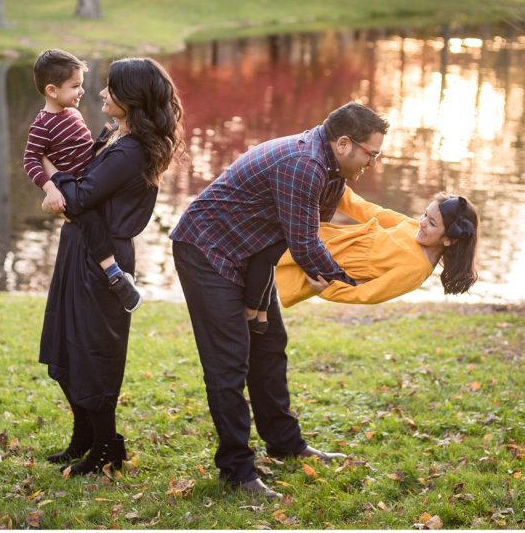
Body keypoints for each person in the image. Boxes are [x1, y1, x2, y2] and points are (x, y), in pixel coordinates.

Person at [171, 101, 388, 499]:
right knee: (229, 361)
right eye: (371, 153)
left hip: (249, 252)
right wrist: (358, 281)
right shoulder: (303, 165)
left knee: (269, 345)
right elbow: (305, 247)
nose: (373, 161)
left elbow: (281, 242)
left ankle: (285, 443)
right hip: (207, 250)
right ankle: (236, 471)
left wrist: (256, 302)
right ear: (344, 143)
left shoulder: (331, 173)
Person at [38, 57, 184, 476]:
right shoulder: (115, 136)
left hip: (102, 264)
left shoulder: (132, 151)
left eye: (111, 88)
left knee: (93, 353)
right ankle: (84, 436)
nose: (101, 93)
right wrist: (63, 183)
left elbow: (81, 198)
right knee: (67, 345)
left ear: (131, 98)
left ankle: (107, 447)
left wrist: (50, 172)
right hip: (79, 251)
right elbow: (83, 192)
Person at [244, 187, 478, 322]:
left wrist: (327, 289)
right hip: (326, 238)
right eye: (425, 215)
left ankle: (253, 311)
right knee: (264, 236)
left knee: (261, 252)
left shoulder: (416, 269)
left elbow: (369, 293)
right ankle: (260, 315)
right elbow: (371, 211)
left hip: (322, 262)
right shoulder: (411, 228)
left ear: (449, 240)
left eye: (432, 223)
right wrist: (340, 187)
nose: (422, 223)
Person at [23, 49, 142, 312]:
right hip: (70, 190)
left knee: (97, 218)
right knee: (91, 222)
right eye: (75, 86)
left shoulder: (73, 115)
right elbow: (30, 160)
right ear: (52, 90)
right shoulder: (42, 125)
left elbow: (84, 150)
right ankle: (114, 274)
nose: (82, 91)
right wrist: (50, 189)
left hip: (86, 183)